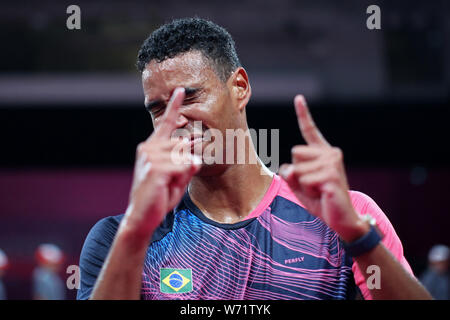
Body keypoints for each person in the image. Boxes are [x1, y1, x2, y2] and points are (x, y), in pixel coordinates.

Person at [77, 17, 431, 300]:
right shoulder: (117, 239)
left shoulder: (351, 218)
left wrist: (357, 236)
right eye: (159, 108)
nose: (176, 119)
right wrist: (136, 231)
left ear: (240, 88)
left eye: (189, 97)